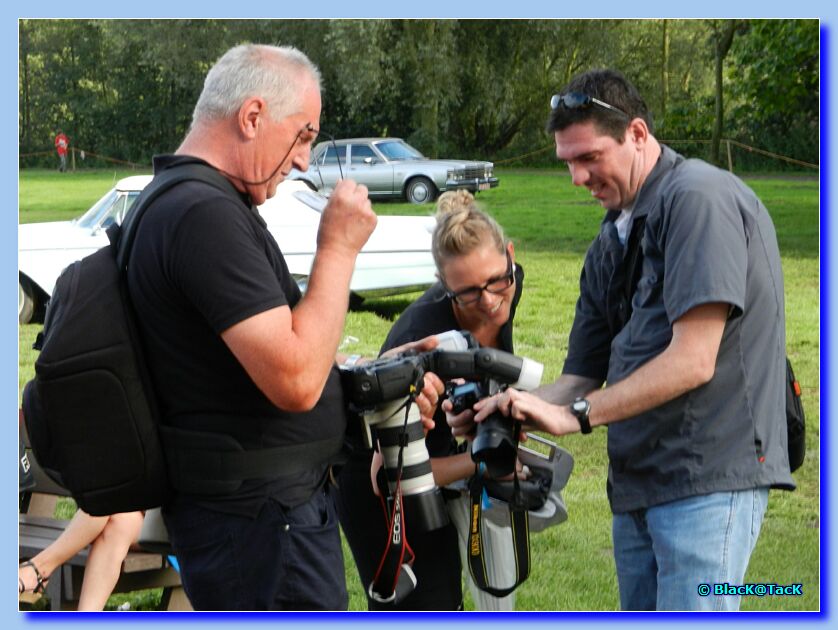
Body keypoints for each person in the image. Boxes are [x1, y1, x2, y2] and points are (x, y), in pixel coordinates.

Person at [450, 69, 795, 611]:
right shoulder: (611, 237)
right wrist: (511, 408)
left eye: (589, 158)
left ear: (637, 134)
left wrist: (577, 415)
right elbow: (580, 377)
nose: (576, 177)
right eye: (567, 162)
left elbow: (693, 360)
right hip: (639, 482)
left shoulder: (698, 200)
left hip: (707, 480)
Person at [126, 44, 440, 611]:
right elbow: (294, 380)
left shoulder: (183, 203)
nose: (303, 160)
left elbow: (253, 361)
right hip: (262, 527)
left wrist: (362, 375)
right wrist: (339, 246)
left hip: (255, 519)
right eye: (303, 135)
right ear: (252, 118)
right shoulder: (203, 214)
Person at [334, 190, 525, 610]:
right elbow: (388, 477)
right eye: (469, 294)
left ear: (510, 257)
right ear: (444, 286)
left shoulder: (507, 281)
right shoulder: (422, 337)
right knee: (425, 602)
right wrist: (486, 461)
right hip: (381, 479)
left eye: (498, 280)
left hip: (436, 453)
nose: (491, 302)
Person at [18, 510, 144, 611]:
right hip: (129, 511)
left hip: (157, 519)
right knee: (116, 522)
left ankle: (37, 570)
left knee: (105, 501)